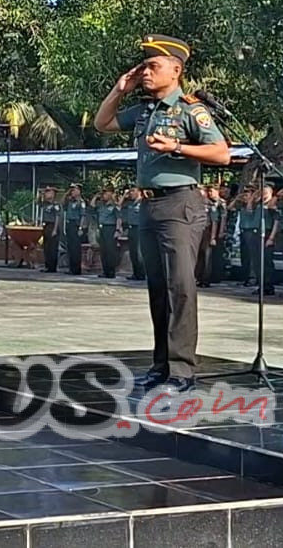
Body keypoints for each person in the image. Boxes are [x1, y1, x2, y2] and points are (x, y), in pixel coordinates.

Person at [95, 35, 230, 392]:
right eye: (145, 66)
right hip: (150, 204)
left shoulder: (189, 109)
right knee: (157, 286)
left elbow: (221, 153)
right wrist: (119, 89)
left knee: (181, 286)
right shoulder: (144, 110)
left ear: (176, 69)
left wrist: (177, 147)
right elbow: (102, 124)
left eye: (154, 66)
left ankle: (183, 368)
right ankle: (161, 364)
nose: (147, 72)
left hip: (180, 203)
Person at [233, 185, 267, 290]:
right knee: (245, 256)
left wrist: (251, 198)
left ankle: (254, 278)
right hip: (244, 231)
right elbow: (230, 207)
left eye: (248, 193)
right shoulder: (242, 204)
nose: (245, 196)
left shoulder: (255, 205)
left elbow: (249, 209)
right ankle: (246, 276)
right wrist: (237, 198)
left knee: (254, 257)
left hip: (253, 232)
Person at [197, 185, 224, 288]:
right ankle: (198, 277)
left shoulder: (210, 205)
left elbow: (214, 222)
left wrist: (213, 237)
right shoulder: (196, 205)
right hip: (197, 232)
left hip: (207, 232)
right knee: (198, 256)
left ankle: (205, 279)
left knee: (206, 257)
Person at [92, 188, 120, 278]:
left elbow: (119, 218)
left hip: (110, 228)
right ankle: (105, 271)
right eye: (103, 194)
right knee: (103, 251)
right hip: (102, 228)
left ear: (110, 195)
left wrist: (117, 230)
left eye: (106, 194)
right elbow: (92, 205)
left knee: (110, 251)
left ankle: (111, 272)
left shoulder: (114, 206)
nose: (104, 196)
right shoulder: (101, 205)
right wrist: (96, 196)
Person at [62, 184, 87, 275]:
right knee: (70, 247)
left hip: (76, 225)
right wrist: (67, 192)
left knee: (76, 248)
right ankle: (71, 268)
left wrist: (80, 228)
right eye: (72, 190)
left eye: (74, 190)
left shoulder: (81, 202)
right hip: (69, 225)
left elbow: (83, 216)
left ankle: (76, 269)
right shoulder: (70, 201)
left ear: (79, 191)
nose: (73, 192)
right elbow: (62, 202)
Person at [121, 187, 145, 281]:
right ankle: (135, 273)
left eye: (133, 191)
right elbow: (119, 206)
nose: (131, 193)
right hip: (131, 229)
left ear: (139, 192)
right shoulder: (130, 203)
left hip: (139, 228)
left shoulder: (143, 202)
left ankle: (141, 273)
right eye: (130, 191)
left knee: (139, 253)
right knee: (133, 253)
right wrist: (124, 196)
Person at [39, 186, 62, 273]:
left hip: (53, 225)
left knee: (52, 248)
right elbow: (38, 202)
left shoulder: (56, 205)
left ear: (53, 194)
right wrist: (42, 193)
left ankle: (52, 267)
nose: (47, 194)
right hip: (46, 225)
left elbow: (57, 217)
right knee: (46, 247)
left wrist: (55, 229)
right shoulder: (45, 203)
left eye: (49, 192)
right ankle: (47, 266)